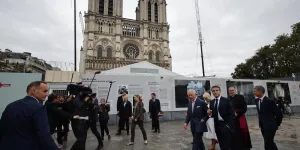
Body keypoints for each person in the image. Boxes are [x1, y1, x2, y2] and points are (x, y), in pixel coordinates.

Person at [0, 81, 62, 150]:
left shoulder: (11, 105)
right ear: (33, 91)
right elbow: (44, 135)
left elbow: (2, 128)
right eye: (44, 91)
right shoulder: (39, 108)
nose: (47, 94)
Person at [253, 85, 283, 150]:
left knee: (268, 142)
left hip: (270, 125)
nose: (254, 92)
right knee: (268, 142)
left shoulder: (270, 101)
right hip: (262, 125)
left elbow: (279, 114)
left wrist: (276, 124)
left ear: (260, 91)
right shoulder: (256, 101)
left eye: (255, 91)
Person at [207, 85, 235, 150]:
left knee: (227, 145)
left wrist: (228, 125)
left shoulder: (226, 100)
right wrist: (209, 114)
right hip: (217, 125)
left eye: (217, 90)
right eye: (213, 91)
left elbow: (232, 114)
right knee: (221, 143)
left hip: (225, 124)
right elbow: (212, 114)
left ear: (220, 91)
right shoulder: (212, 102)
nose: (215, 92)